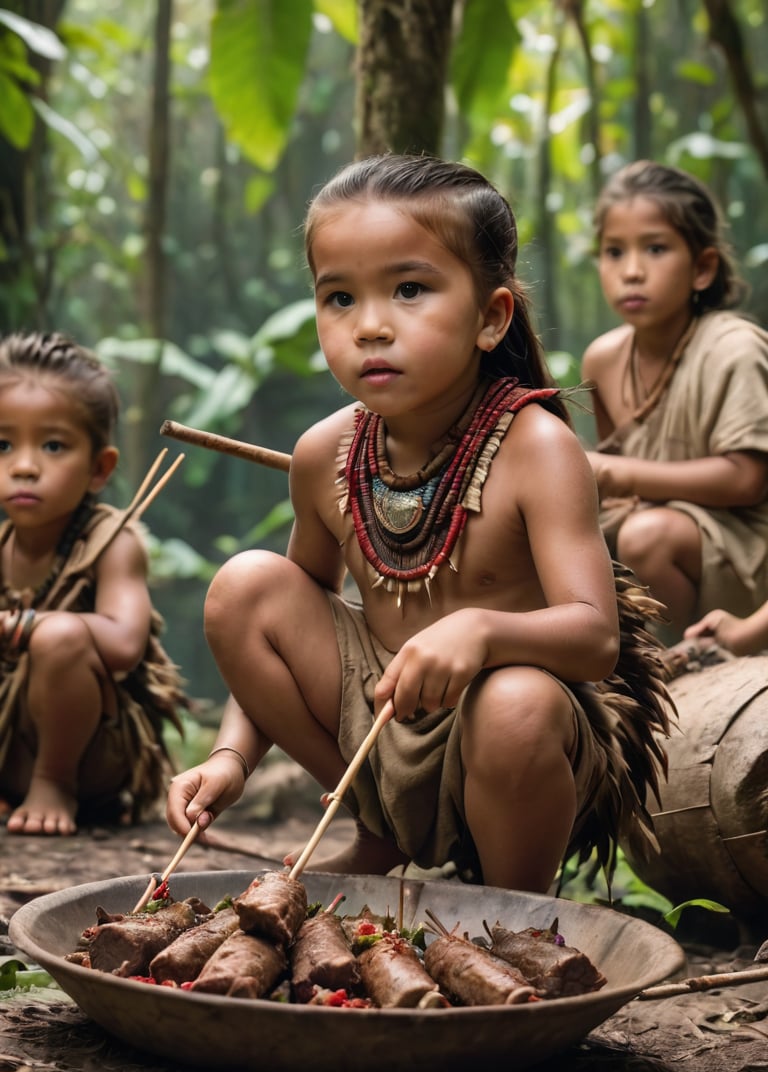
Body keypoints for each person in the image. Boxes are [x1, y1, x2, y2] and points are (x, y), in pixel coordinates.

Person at [167, 153, 669, 894]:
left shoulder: (537, 448)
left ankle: (516, 911)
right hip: (379, 713)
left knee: (517, 703)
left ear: (490, 317)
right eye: (339, 297)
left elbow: (595, 637)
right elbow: (283, 623)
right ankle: (382, 831)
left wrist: (482, 632)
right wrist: (232, 756)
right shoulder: (324, 454)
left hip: (508, 727)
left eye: (409, 289)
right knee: (247, 586)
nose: (370, 326)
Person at [0, 331, 186, 836]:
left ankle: (51, 784)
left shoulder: (112, 539)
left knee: (59, 636)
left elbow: (125, 643)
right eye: (3, 443)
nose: (23, 466)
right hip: (10, 744)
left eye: (53, 445)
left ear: (99, 468)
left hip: (92, 759)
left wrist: (26, 625)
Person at [582, 160, 768, 642]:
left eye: (656, 249)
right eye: (614, 252)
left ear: (702, 268)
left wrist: (614, 472)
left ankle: (682, 660)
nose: (632, 271)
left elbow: (748, 479)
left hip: (746, 552)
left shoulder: (734, 348)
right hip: (655, 541)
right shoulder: (603, 360)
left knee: (646, 536)